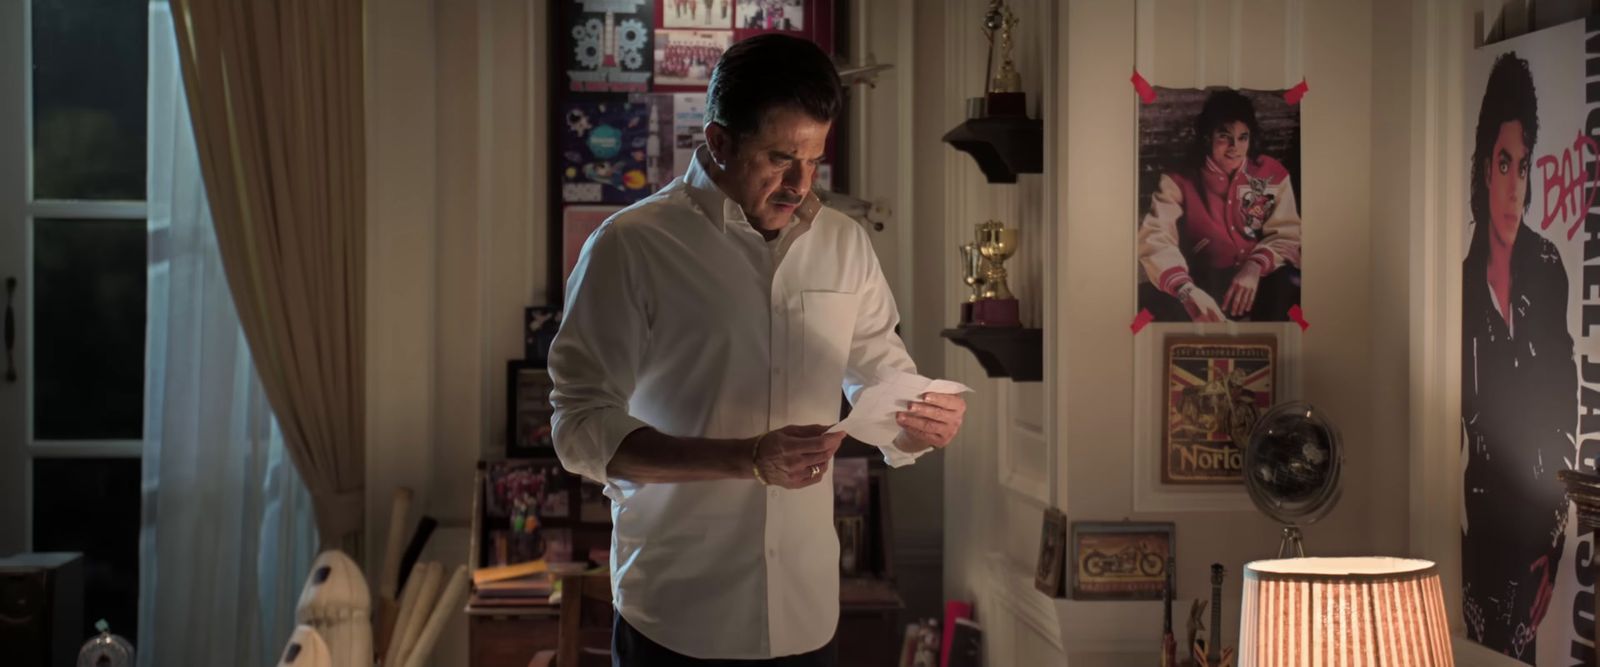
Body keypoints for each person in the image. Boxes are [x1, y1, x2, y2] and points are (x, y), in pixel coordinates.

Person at [548, 34, 967, 666]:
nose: (801, 184)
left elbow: (882, 375)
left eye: (815, 160)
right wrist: (745, 459)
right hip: (676, 617)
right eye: (779, 158)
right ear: (718, 142)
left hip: (808, 614)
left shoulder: (845, 245)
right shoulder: (630, 246)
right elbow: (579, 430)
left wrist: (918, 419)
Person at [1459, 52, 1575, 662]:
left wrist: (1552, 545)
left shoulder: (1548, 267)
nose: (1515, 188)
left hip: (1538, 534)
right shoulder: (1457, 286)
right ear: (1483, 170)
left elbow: (1564, 403)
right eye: (1504, 165)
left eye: (1524, 168)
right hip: (1477, 544)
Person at [1137, 90, 1302, 322]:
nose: (1235, 147)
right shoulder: (1178, 180)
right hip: (1200, 286)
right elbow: (1155, 237)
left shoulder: (1271, 174)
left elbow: (1288, 235)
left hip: (1262, 283)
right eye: (1225, 137)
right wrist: (1185, 291)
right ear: (1208, 137)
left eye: (1243, 137)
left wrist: (1255, 265)